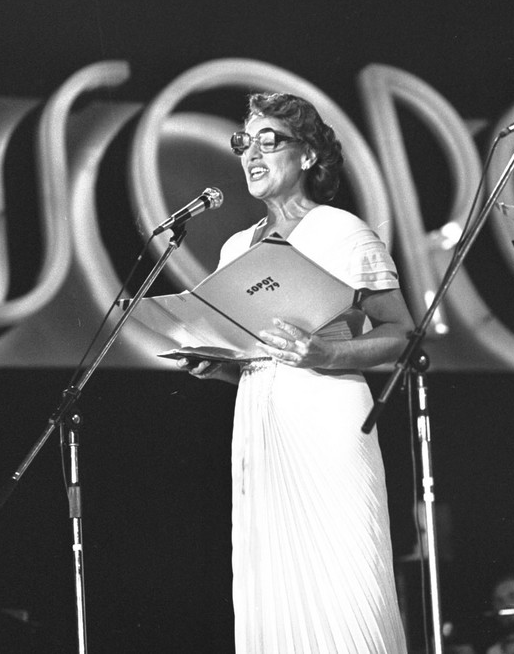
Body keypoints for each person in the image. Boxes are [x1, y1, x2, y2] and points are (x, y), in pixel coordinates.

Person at [178, 91, 411, 654]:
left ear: (308, 156)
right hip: (260, 425)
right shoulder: (236, 248)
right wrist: (224, 367)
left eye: (268, 140)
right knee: (272, 590)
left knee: (345, 586)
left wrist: (328, 354)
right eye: (243, 143)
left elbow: (402, 331)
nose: (252, 154)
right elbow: (256, 351)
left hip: (329, 419)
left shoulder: (341, 231)